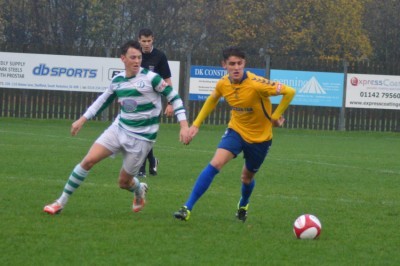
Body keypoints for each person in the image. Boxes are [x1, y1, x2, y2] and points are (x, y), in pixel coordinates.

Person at [43, 40, 190, 215]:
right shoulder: (118, 81)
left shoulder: (152, 79)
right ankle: (60, 202)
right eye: (133, 57)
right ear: (123, 59)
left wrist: (183, 125)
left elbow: (175, 98)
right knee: (88, 161)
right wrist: (82, 119)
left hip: (142, 139)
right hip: (118, 129)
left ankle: (138, 189)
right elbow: (102, 101)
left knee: (123, 182)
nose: (137, 61)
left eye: (139, 57)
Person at [173, 46, 296, 222]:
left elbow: (290, 92)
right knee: (215, 163)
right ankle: (187, 208)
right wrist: (196, 124)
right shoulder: (223, 83)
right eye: (232, 64)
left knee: (246, 178)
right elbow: (213, 98)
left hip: (260, 139)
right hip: (236, 131)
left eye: (239, 63)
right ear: (224, 65)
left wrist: (275, 117)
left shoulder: (257, 84)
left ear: (244, 64)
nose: (236, 67)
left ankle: (243, 204)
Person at [137, 28, 174, 178]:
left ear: (153, 39)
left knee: (145, 133)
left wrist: (170, 102)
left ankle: (142, 167)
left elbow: (167, 80)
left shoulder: (159, 56)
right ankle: (151, 161)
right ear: (139, 40)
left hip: (153, 101)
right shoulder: (135, 55)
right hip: (137, 99)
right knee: (140, 133)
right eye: (143, 41)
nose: (146, 44)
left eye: (149, 41)